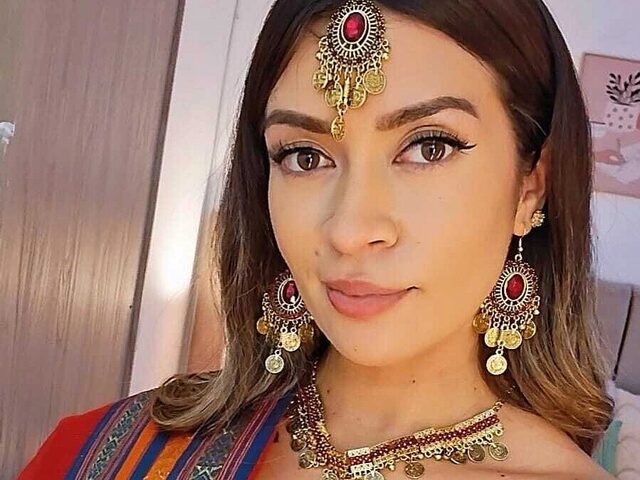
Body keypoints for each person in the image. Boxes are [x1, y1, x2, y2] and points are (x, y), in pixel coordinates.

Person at [18, 0, 619, 478]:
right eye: (304, 156)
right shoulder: (100, 453)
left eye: (428, 147)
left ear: (530, 186)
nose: (350, 230)